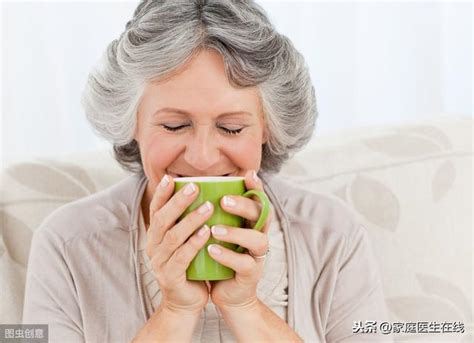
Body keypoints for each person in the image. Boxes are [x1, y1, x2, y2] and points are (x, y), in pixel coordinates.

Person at [23, 1, 391, 342]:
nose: (201, 158)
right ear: (131, 123)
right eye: (173, 126)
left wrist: (244, 307)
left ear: (268, 130)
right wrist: (176, 310)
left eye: (231, 128)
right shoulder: (67, 243)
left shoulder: (332, 235)